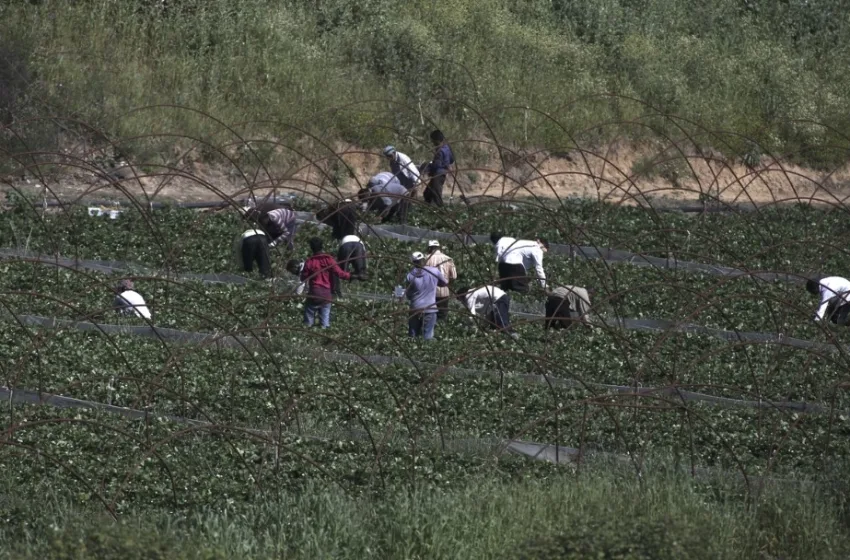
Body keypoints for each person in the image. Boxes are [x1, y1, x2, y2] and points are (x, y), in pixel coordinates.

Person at [299, 237, 359, 328]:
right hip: (326, 294)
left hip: (314, 293)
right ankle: (325, 329)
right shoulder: (329, 260)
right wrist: (352, 276)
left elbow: (303, 278)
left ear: (311, 248)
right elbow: (340, 274)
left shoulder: (310, 262)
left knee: (309, 312)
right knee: (325, 317)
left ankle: (308, 328)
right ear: (322, 246)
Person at [405, 251, 447, 340]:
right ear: (424, 260)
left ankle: (412, 351)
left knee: (412, 336)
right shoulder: (434, 271)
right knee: (427, 336)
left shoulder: (410, 276)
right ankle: (426, 352)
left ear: (413, 262)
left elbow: (408, 295)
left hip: (415, 308)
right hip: (430, 308)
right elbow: (444, 283)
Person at [424, 240, 457, 320]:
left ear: (430, 248)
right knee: (442, 315)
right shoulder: (448, 259)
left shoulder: (426, 259)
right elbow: (454, 276)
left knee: (430, 316)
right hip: (444, 292)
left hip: (430, 292)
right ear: (439, 247)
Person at [422, 129, 454, 206]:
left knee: (436, 193)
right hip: (442, 172)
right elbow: (452, 159)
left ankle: (441, 209)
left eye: (433, 141)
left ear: (436, 140)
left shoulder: (439, 151)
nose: (432, 143)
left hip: (438, 174)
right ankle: (427, 206)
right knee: (427, 193)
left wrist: (430, 170)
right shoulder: (447, 148)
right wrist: (447, 165)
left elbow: (436, 165)